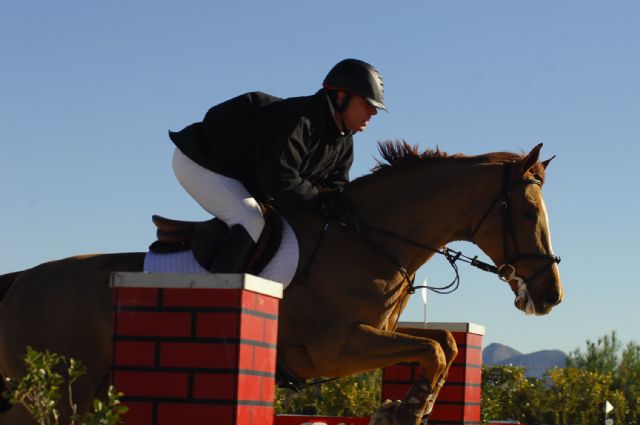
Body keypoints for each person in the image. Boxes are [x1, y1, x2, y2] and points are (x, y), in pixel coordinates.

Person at [169, 58, 386, 273]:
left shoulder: (343, 142)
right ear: (341, 96)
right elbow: (278, 179)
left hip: (242, 174)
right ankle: (221, 297)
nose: (373, 112)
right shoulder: (302, 119)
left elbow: (335, 190)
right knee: (250, 219)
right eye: (367, 104)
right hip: (201, 160)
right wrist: (321, 202)